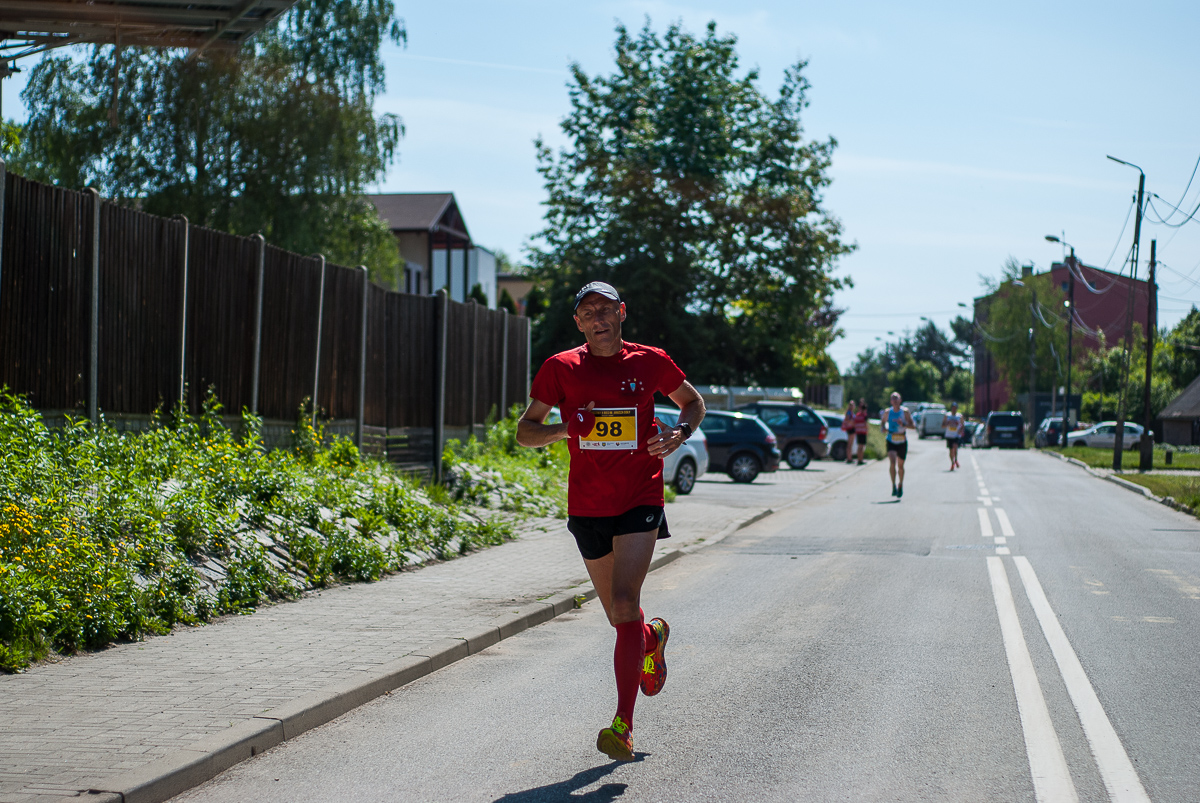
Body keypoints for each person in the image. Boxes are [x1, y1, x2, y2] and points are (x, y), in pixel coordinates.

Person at [516, 281, 706, 762]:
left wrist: (679, 434)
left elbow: (693, 402)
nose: (598, 318)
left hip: (640, 495)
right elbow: (524, 432)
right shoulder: (559, 368)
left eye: (605, 309)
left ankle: (623, 725)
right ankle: (652, 638)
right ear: (578, 322)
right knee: (620, 617)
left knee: (625, 601)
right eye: (588, 312)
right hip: (587, 504)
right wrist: (565, 427)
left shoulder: (651, 361)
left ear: (622, 312)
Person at [880, 392, 916, 497]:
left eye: (897, 399)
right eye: (893, 399)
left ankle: (900, 484)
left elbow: (913, 426)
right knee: (892, 462)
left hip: (902, 440)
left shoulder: (905, 412)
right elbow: (882, 423)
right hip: (891, 439)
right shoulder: (887, 412)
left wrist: (903, 424)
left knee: (900, 465)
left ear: (900, 400)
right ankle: (893, 485)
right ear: (891, 401)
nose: (895, 401)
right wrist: (883, 428)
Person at [943, 401, 965, 470]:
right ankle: (952, 463)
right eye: (953, 408)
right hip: (949, 435)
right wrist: (947, 424)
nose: (954, 409)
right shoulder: (947, 415)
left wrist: (960, 430)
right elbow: (942, 425)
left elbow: (963, 425)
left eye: (955, 408)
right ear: (951, 408)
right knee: (951, 450)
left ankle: (956, 459)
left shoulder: (959, 416)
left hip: (956, 435)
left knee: (955, 447)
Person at [853, 397, 869, 465]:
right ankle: (861, 459)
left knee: (859, 446)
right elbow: (865, 424)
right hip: (863, 432)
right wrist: (867, 430)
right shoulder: (864, 415)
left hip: (858, 432)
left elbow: (854, 423)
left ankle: (858, 459)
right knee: (862, 447)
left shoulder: (857, 415)